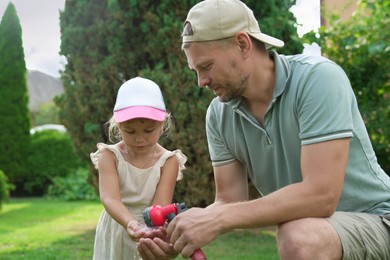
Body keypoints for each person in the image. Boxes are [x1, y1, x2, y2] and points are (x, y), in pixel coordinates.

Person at [137, 0, 390, 259]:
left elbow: (322, 196)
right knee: (299, 233)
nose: (201, 81)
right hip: (321, 229)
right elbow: (229, 201)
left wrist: (219, 217)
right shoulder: (218, 114)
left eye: (207, 66)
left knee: (299, 237)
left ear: (243, 44)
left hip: (377, 219)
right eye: (195, 70)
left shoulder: (318, 79)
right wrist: (182, 233)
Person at [90, 76, 187, 260]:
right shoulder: (109, 156)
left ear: (162, 124)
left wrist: (152, 232)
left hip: (148, 231)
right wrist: (132, 225)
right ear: (118, 126)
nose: (140, 139)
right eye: (130, 131)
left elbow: (158, 207)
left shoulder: (169, 161)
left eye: (149, 131)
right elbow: (110, 198)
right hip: (117, 226)